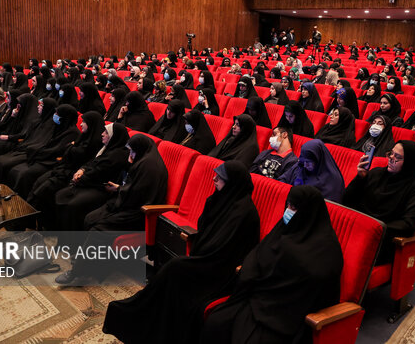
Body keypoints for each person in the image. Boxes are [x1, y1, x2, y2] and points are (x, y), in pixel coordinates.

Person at [103, 161, 260, 344]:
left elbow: (226, 250)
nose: (214, 178)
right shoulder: (219, 198)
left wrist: (198, 259)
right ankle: (141, 318)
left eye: (220, 177)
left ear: (232, 183)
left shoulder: (245, 213)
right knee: (171, 276)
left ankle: (147, 322)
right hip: (203, 259)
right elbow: (205, 231)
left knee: (175, 269)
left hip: (220, 271)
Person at [201, 185, 343, 344]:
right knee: (216, 322)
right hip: (258, 299)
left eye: (294, 207)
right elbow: (259, 255)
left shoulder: (327, 249)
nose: (288, 210)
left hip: (287, 315)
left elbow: (315, 287)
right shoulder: (285, 228)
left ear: (308, 212)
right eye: (288, 205)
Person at [55, 134, 169, 284]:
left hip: (139, 213)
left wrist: (120, 191)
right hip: (128, 203)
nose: (130, 155)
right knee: (90, 217)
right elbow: (134, 190)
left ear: (140, 149)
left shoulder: (149, 166)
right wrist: (119, 189)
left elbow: (138, 195)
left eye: (132, 152)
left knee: (99, 229)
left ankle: (77, 271)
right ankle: (90, 264)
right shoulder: (145, 160)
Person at [343, 140, 415, 263]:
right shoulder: (376, 173)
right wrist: (360, 178)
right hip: (357, 228)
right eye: (391, 154)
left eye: (397, 157)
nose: (391, 159)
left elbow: (408, 224)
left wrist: (373, 229)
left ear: (410, 163)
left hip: (382, 238)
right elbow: (346, 201)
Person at [31, 122, 130, 229]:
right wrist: (81, 170)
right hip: (89, 181)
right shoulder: (107, 148)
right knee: (60, 194)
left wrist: (79, 178)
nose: (102, 134)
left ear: (114, 136)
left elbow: (99, 173)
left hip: (102, 188)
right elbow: (92, 162)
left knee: (72, 205)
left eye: (106, 132)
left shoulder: (118, 155)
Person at [5, 105, 82, 198]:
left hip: (52, 161)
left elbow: (58, 150)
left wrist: (40, 152)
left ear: (65, 116)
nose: (55, 115)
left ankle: (21, 199)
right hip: (42, 156)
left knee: (24, 174)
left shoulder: (73, 132)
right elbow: (46, 141)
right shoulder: (58, 126)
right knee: (14, 169)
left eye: (57, 113)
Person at [279, 139, 345, 203]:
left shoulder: (333, 180)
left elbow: (330, 206)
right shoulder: (300, 165)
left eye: (308, 162)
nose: (305, 165)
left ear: (317, 159)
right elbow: (282, 180)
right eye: (303, 161)